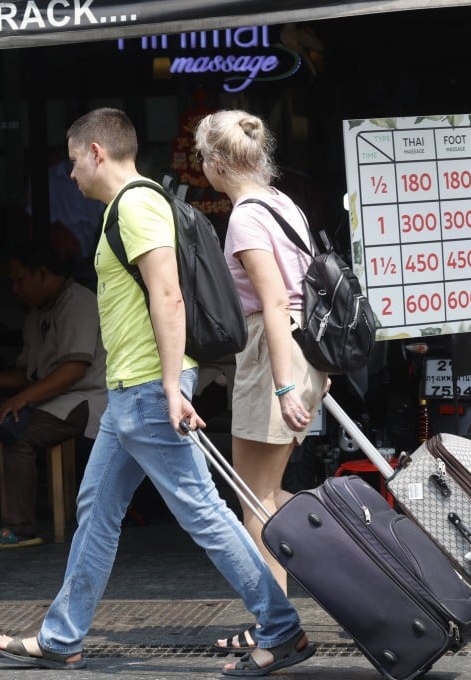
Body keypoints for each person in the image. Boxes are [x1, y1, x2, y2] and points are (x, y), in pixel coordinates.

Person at [0, 108, 314, 677]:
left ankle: (281, 627)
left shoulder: (137, 205)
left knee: (205, 514)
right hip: (128, 391)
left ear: (96, 152)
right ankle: (63, 635)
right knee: (96, 509)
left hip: (147, 387)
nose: (69, 177)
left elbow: (168, 296)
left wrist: (172, 386)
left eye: (72, 163)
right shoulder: (131, 205)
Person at [194, 110, 329, 653]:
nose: (202, 167)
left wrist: (280, 384)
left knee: (255, 502)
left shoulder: (248, 216)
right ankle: (285, 613)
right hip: (302, 352)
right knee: (270, 494)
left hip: (274, 353)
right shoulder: (283, 203)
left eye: (203, 157)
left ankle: (276, 628)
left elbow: (274, 301)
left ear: (219, 162)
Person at [0, 241, 106, 549]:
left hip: (88, 397)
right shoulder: (36, 314)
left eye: (20, 279)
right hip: (56, 396)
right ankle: (4, 512)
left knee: (18, 431)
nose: (14, 289)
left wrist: (23, 398)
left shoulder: (78, 302)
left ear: (42, 274)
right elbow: (26, 374)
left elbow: (74, 369)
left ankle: (20, 527)